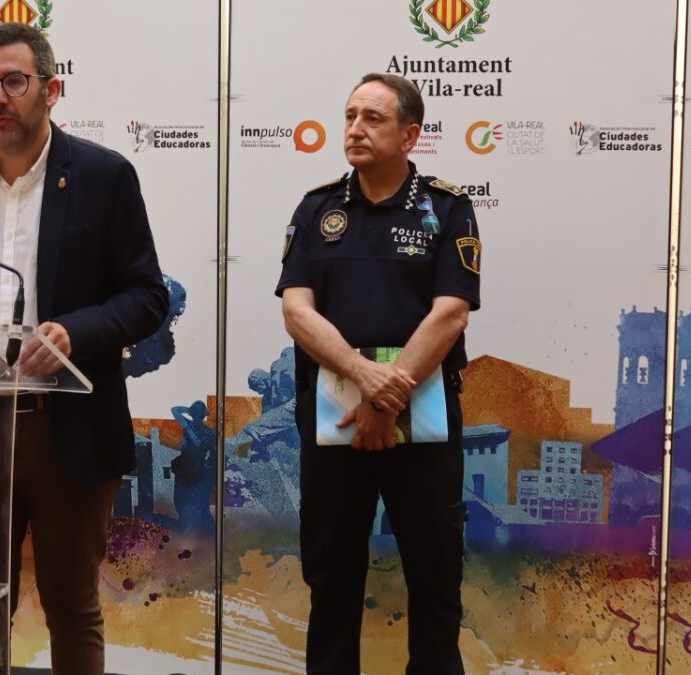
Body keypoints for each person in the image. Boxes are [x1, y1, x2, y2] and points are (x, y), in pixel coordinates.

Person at [0, 22, 168, 675]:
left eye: (14, 82)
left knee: (70, 606)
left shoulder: (104, 176)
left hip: (66, 429)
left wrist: (75, 331)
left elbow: (146, 297)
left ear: (51, 90)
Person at [275, 73, 481, 674]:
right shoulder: (317, 209)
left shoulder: (448, 207)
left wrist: (384, 400)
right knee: (331, 578)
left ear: (410, 135)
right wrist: (365, 376)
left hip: (423, 419)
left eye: (373, 118)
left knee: (435, 579)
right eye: (350, 116)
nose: (356, 129)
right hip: (334, 419)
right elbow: (296, 310)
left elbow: (451, 314)